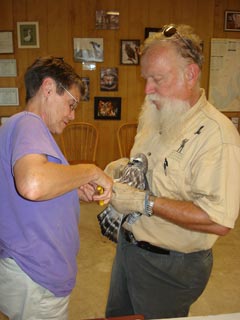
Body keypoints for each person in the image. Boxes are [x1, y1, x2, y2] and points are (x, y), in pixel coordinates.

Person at [105, 24, 240, 319]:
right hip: (129, 248)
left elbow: (219, 219)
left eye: (157, 79)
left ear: (190, 74)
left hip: (171, 265)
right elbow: (155, 168)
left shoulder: (218, 137)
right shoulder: (157, 111)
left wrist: (144, 202)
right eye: (146, 78)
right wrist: (122, 168)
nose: (147, 89)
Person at [0, 56, 113, 319]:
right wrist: (91, 170)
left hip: (28, 271)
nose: (72, 115)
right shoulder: (29, 123)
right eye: (71, 104)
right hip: (35, 276)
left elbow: (27, 190)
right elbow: (32, 184)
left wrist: (72, 188)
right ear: (48, 88)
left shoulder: (21, 128)